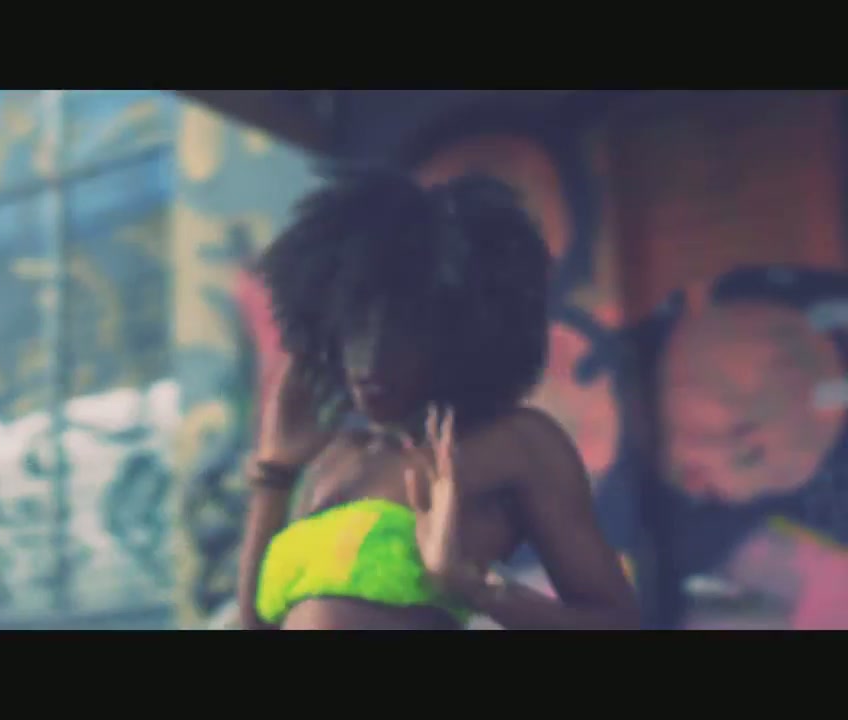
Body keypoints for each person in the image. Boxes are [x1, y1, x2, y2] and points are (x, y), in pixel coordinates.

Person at [237, 166, 639, 630]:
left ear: (458, 330)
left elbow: (617, 622)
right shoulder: (337, 458)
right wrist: (275, 471)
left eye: (399, 332)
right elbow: (256, 625)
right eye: (355, 328)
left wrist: (474, 587)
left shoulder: (516, 444)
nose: (368, 362)